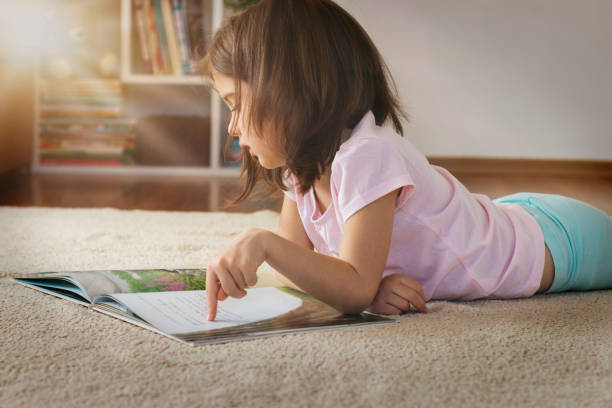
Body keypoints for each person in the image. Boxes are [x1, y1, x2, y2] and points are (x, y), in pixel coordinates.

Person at [200, 0, 612, 321]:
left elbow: (349, 287)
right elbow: (298, 269)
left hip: (555, 243)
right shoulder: (300, 169)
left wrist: (265, 243)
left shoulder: (368, 156)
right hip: (508, 217)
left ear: (292, 93)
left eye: (236, 105)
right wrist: (364, 284)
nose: (233, 127)